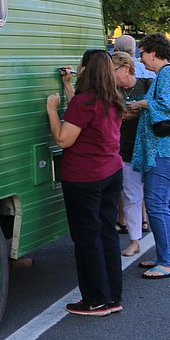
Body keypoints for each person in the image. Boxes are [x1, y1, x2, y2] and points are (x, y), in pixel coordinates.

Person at [46, 48, 125, 316]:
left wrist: (52, 111)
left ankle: (95, 301)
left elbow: (63, 138)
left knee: (87, 239)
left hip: (84, 178)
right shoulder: (112, 98)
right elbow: (83, 117)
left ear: (87, 70)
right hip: (111, 173)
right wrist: (69, 86)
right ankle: (113, 297)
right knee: (107, 234)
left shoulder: (85, 102)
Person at [129, 33, 170, 279]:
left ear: (153, 53)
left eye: (143, 53)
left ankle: (167, 262)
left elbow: (169, 105)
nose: (141, 58)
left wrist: (142, 105)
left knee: (156, 203)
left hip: (168, 150)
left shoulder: (166, 73)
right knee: (167, 205)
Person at [110, 50, 150, 256]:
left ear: (126, 68)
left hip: (149, 149)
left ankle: (164, 245)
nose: (110, 75)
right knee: (131, 196)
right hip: (125, 149)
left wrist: (141, 109)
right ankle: (135, 240)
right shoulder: (112, 91)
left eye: (113, 70)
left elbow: (161, 108)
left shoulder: (147, 84)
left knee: (156, 198)